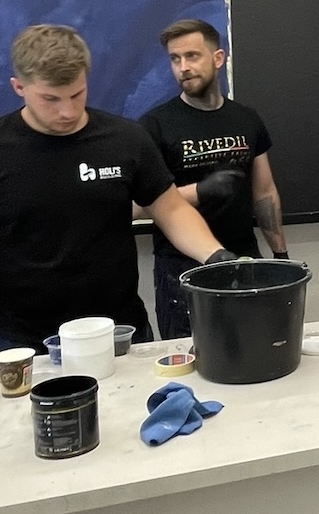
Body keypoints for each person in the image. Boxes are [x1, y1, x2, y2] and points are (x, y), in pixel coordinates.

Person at [0, 24, 231, 353]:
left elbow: (171, 209)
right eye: (50, 99)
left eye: (77, 94)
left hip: (120, 330)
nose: (67, 111)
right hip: (22, 342)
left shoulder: (125, 139)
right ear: (19, 87)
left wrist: (216, 257)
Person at [139, 19, 288, 340]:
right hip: (182, 269)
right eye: (175, 59)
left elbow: (264, 193)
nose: (183, 67)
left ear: (218, 58)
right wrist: (200, 191)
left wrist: (280, 256)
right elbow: (135, 206)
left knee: (256, 347)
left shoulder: (246, 119)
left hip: (244, 258)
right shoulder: (155, 126)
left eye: (192, 56)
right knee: (191, 356)